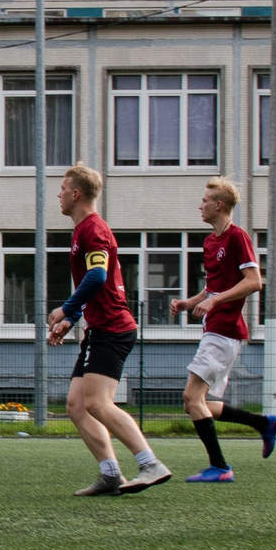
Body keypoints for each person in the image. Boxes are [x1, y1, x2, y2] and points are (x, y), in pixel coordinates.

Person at [46, 165, 172, 497]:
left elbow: (98, 278)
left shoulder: (94, 230)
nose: (57, 194)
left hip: (113, 330)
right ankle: (111, 474)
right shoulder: (81, 231)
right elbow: (96, 289)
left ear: (76, 194)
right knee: (76, 405)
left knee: (99, 403)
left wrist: (65, 309)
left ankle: (150, 464)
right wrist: (70, 322)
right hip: (98, 329)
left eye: (62, 188)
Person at [166, 177, 276, 481]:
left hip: (224, 331)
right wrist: (189, 303)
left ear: (218, 205)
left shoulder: (237, 237)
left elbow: (255, 281)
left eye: (204, 200)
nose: (199, 205)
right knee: (202, 403)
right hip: (214, 330)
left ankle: (220, 467)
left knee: (191, 399)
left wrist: (215, 303)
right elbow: (213, 288)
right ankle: (263, 423)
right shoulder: (210, 242)